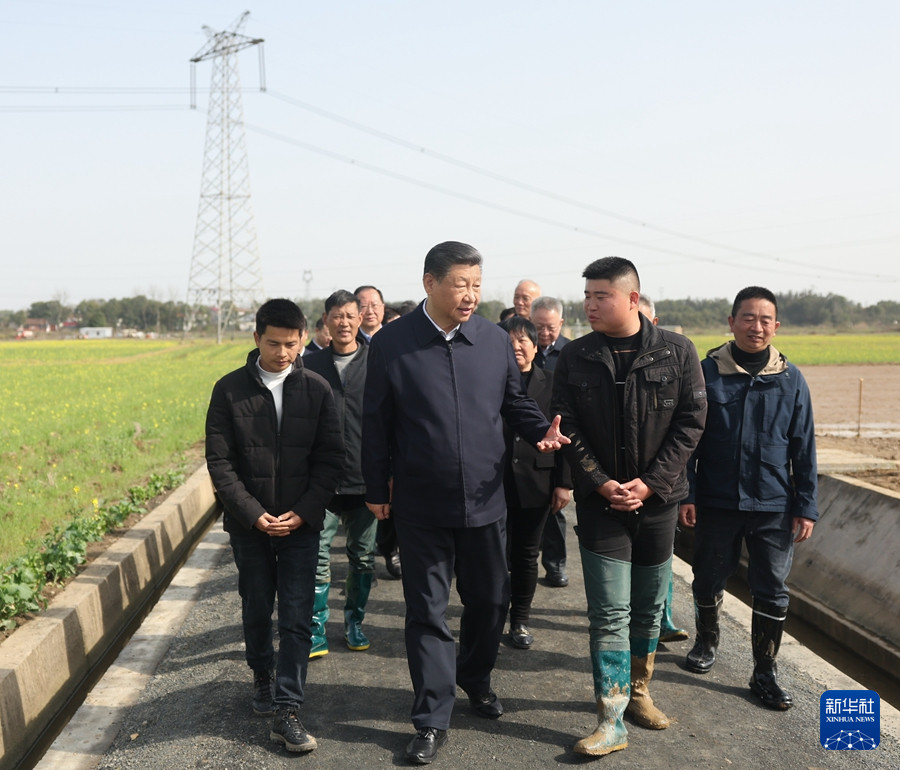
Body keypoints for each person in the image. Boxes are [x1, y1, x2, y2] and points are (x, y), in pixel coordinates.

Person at [362, 241, 569, 765]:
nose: (471, 295)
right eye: (461, 284)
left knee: (491, 601)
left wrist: (540, 431)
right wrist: (376, 488)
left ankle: (475, 677)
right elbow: (376, 423)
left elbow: (514, 402)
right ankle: (432, 717)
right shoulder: (392, 344)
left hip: (485, 499)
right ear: (430, 283)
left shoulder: (494, 340)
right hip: (421, 503)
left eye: (477, 285)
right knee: (427, 611)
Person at [552, 257, 707, 757]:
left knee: (647, 608)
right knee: (608, 612)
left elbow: (691, 422)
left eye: (602, 295)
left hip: (658, 503)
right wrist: (599, 483)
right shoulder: (575, 355)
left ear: (633, 299)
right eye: (587, 296)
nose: (590, 305)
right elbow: (566, 425)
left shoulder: (677, 351)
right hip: (601, 506)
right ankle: (611, 717)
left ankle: (639, 692)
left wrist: (651, 483)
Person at [205, 298, 344, 754]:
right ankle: (262, 675)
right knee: (257, 604)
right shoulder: (229, 390)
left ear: (302, 339)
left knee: (298, 615)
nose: (282, 353)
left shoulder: (318, 389)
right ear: (256, 339)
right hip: (250, 525)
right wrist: (251, 513)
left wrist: (304, 511)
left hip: (301, 525)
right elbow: (220, 462)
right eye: (273, 343)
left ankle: (288, 708)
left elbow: (331, 459)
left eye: (290, 343)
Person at [679, 286, 817, 711]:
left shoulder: (791, 380)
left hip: (774, 504)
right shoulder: (706, 373)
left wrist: (806, 506)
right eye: (748, 318)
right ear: (732, 322)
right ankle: (706, 642)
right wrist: (688, 493)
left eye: (765, 320)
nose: (756, 327)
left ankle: (764, 672)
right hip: (717, 501)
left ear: (776, 326)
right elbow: (688, 440)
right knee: (707, 577)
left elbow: (804, 448)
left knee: (771, 589)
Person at [304, 290, 377, 658]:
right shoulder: (309, 366)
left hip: (365, 481)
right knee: (316, 558)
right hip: (322, 482)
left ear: (360, 319)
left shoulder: (376, 362)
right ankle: (315, 628)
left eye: (350, 315)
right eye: (337, 316)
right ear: (326, 321)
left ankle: (354, 621)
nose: (344, 323)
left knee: (362, 557)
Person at [499, 315, 572, 649]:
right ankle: (491, 616)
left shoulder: (553, 382)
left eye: (522, 341)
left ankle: (520, 621)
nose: (516, 347)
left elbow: (566, 433)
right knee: (493, 556)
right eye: (509, 341)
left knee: (527, 555)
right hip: (493, 484)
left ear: (535, 345)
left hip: (537, 481)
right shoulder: (490, 382)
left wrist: (563, 483)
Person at [638, 293, 688, 644]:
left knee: (661, 558)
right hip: (621, 485)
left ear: (654, 323)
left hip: (664, 481)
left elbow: (688, 426)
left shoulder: (676, 358)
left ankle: (663, 617)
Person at [531, 295, 572, 589]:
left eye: (550, 327)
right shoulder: (521, 349)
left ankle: (555, 565)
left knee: (555, 510)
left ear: (561, 323)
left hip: (559, 436)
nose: (544, 333)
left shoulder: (571, 353)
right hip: (528, 437)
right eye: (539, 327)